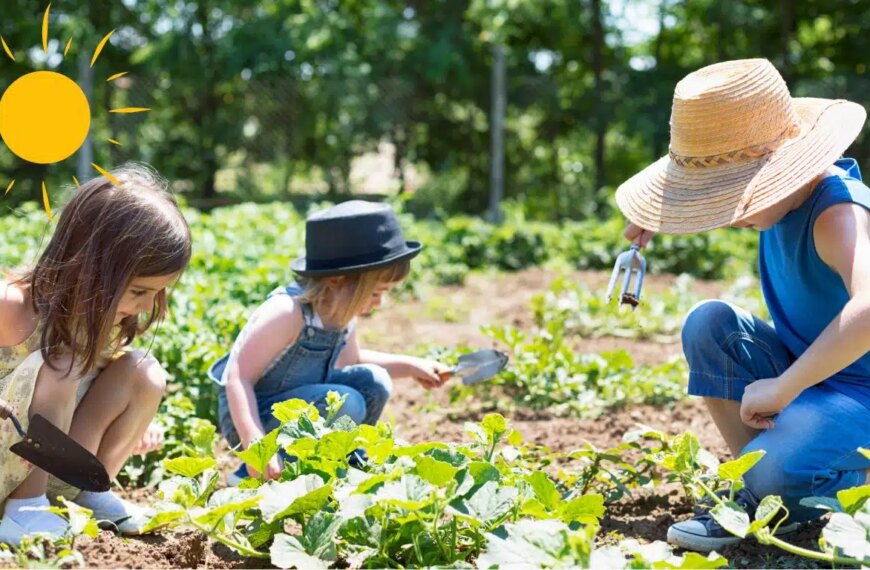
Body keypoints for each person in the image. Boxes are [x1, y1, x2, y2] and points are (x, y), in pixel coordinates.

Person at [615, 58, 870, 552]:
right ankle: (758, 497)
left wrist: (784, 387)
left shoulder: (837, 212)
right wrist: (666, 214)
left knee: (776, 468)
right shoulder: (787, 204)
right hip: (822, 378)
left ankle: (793, 486)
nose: (729, 216)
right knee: (709, 323)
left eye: (734, 197)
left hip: (862, 392)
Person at [0, 164, 191, 545]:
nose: (145, 307)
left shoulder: (95, 322)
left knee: (143, 373)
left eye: (156, 293)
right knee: (62, 363)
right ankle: (26, 512)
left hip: (46, 464)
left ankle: (85, 496)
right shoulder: (12, 306)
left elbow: (99, 385)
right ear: (91, 269)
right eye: (139, 291)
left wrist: (134, 418)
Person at [211, 200, 451, 484]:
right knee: (347, 401)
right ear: (339, 281)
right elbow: (238, 378)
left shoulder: (343, 313)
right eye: (375, 293)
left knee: (375, 381)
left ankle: (341, 459)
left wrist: (412, 366)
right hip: (253, 419)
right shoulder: (287, 312)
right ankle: (252, 474)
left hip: (301, 409)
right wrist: (256, 447)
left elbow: (353, 362)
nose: (380, 302)